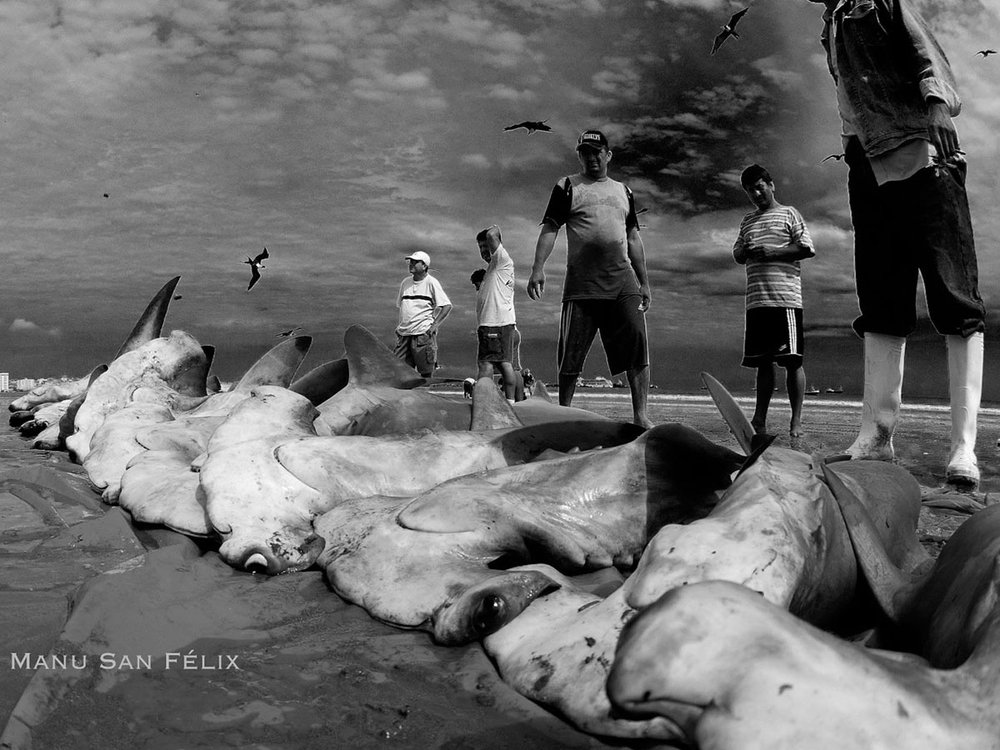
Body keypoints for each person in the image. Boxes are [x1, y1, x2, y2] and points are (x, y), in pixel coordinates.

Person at [808, 0, 987, 487]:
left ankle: (962, 448)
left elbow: (925, 50)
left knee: (954, 297)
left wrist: (936, 106)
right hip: (866, 165)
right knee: (881, 300)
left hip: (922, 154)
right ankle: (876, 435)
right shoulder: (831, 23)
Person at [527, 129, 653, 428]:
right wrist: (537, 268)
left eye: (597, 152)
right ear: (579, 156)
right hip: (582, 283)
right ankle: (563, 414)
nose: (592, 157)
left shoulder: (624, 191)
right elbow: (550, 228)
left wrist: (644, 281)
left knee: (637, 342)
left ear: (608, 155)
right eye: (585, 152)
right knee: (571, 352)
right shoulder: (567, 186)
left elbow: (633, 238)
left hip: (623, 281)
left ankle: (640, 415)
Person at [733, 164, 816, 442]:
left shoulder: (790, 213)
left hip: (785, 300)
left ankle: (796, 420)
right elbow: (737, 254)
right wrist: (744, 251)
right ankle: (760, 417)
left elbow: (806, 248)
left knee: (792, 361)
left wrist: (773, 251)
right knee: (762, 363)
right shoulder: (747, 221)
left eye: (760, 187)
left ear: (771, 185)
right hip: (757, 301)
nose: (756, 194)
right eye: (750, 191)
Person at [474, 225, 518, 401]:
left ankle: (485, 401)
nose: (484, 251)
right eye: (481, 248)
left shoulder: (501, 260)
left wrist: (496, 230)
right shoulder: (492, 268)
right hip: (497, 323)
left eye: (486, 246)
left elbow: (492, 233)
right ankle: (510, 401)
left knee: (487, 363)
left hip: (495, 323)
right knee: (503, 362)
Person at [394, 250, 452, 378]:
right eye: (410, 262)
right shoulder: (405, 283)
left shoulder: (431, 282)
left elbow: (447, 306)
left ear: (424, 266)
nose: (411, 264)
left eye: (415, 262)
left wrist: (434, 326)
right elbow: (403, 306)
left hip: (422, 334)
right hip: (404, 335)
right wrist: (400, 327)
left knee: (425, 373)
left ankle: (424, 396)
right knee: (399, 372)